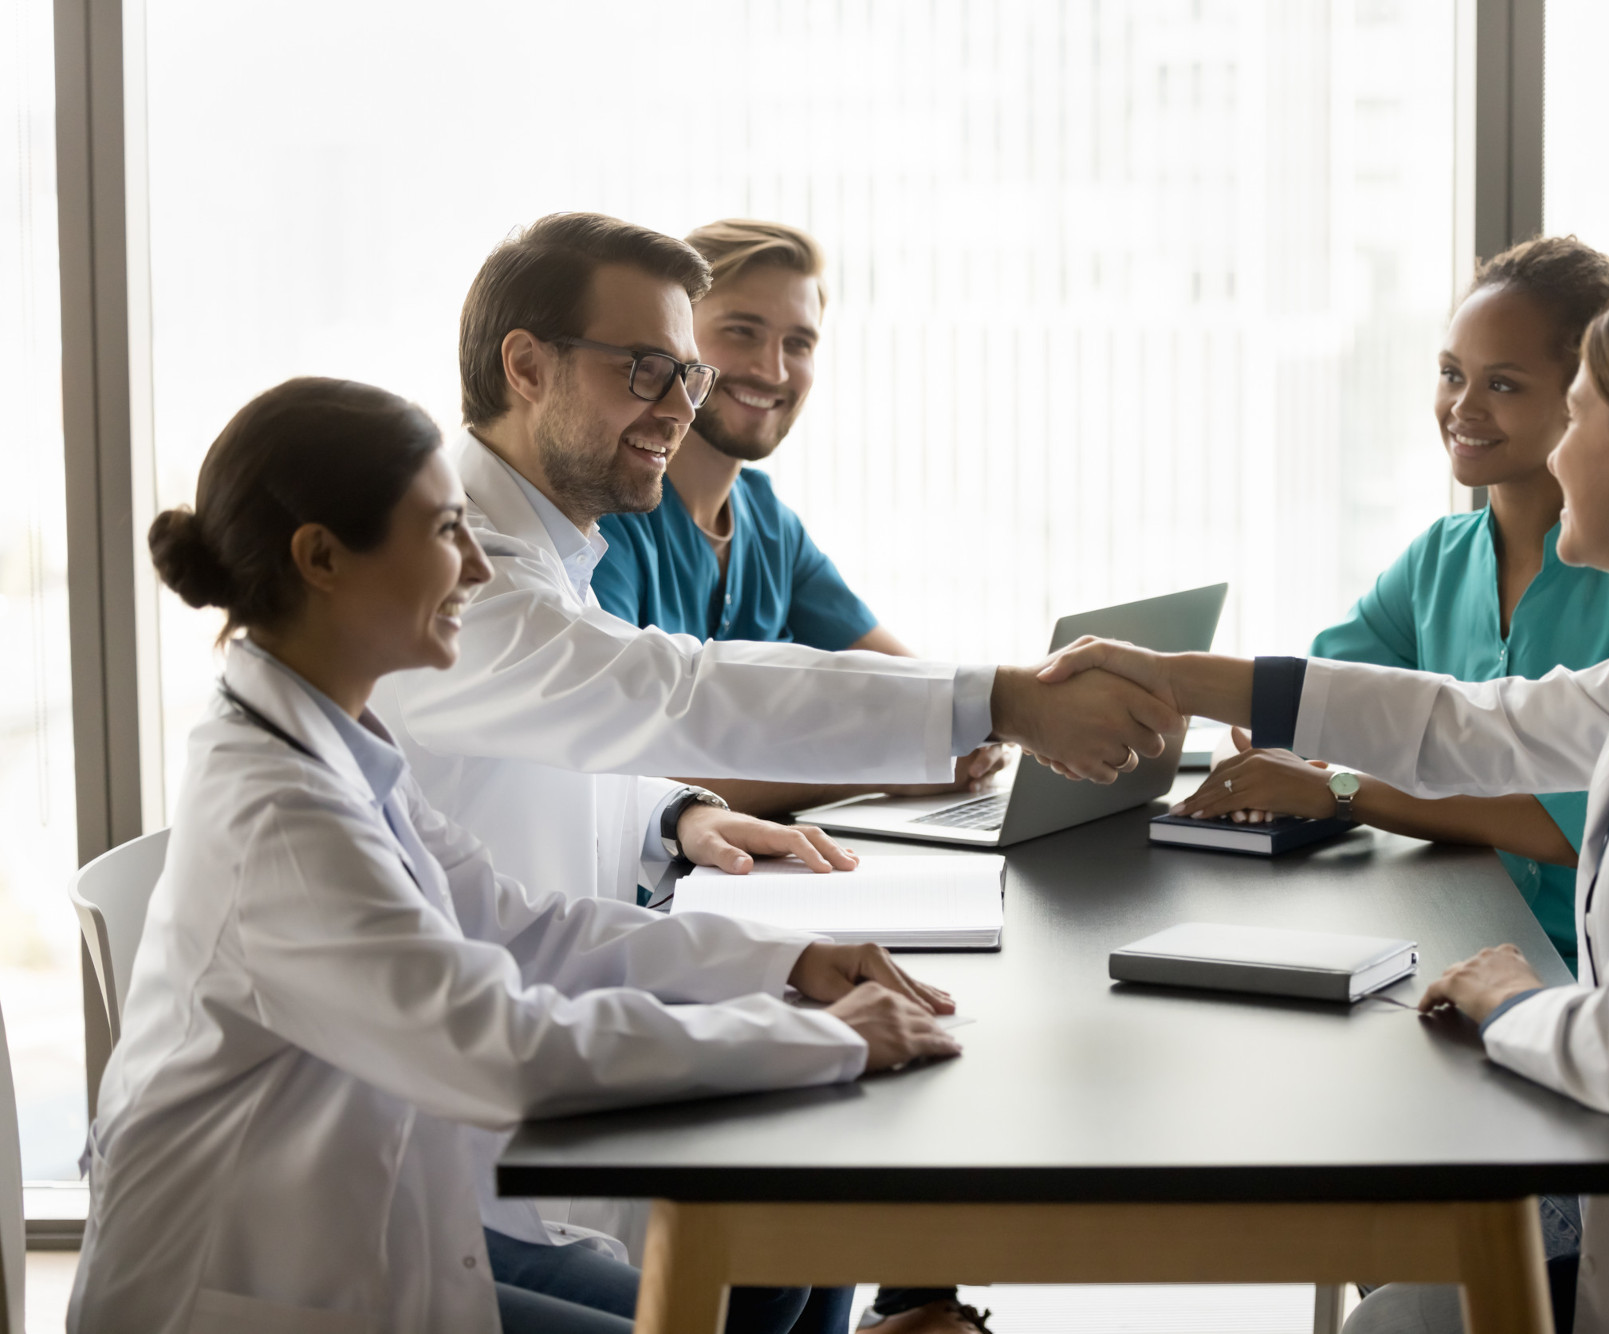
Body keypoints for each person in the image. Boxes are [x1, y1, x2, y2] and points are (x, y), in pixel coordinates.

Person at [1038, 283, 1609, 1334]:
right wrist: (1177, 676)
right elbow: (1463, 725)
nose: (1555, 454)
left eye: (1577, 417)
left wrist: (1506, 998)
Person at [366, 211, 1179, 1305]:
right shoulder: (456, 571)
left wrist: (680, 820)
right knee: (781, 1235)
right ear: (526, 364)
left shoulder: (563, 545)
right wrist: (997, 700)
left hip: (552, 1034)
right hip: (443, 1161)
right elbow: (671, 688)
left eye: (685, 380)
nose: (679, 408)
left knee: (808, 1221)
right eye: (651, 369)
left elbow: (546, 791)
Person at [69, 378, 963, 1334]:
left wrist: (783, 963)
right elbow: (499, 1051)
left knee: (785, 1254)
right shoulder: (279, 814)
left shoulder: (331, 736)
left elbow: (515, 922)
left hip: (374, 1223)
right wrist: (822, 1036)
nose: (478, 571)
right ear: (322, 557)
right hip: (255, 1290)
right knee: (755, 1272)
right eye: (445, 531)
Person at [1187, 236, 1609, 974]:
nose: (1462, 407)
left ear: (1581, 403)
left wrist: (1338, 793)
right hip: (1451, 934)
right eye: (1450, 374)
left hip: (1581, 971)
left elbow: (1571, 825)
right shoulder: (1439, 559)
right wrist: (1255, 756)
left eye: (1503, 384)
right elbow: (1308, 705)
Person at [593, 218, 1003, 819]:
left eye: (799, 343)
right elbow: (628, 773)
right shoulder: (607, 519)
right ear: (677, 341)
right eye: (742, 331)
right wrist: (887, 763)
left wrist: (984, 728)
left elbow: (917, 688)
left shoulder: (766, 521)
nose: (773, 370)